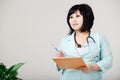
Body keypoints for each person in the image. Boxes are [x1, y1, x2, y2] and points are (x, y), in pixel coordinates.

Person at [55, 4, 113, 80]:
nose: (74, 20)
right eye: (71, 17)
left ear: (87, 17)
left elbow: (108, 60)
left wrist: (91, 67)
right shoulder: (65, 40)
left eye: (77, 16)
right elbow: (59, 66)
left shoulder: (99, 38)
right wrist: (59, 60)